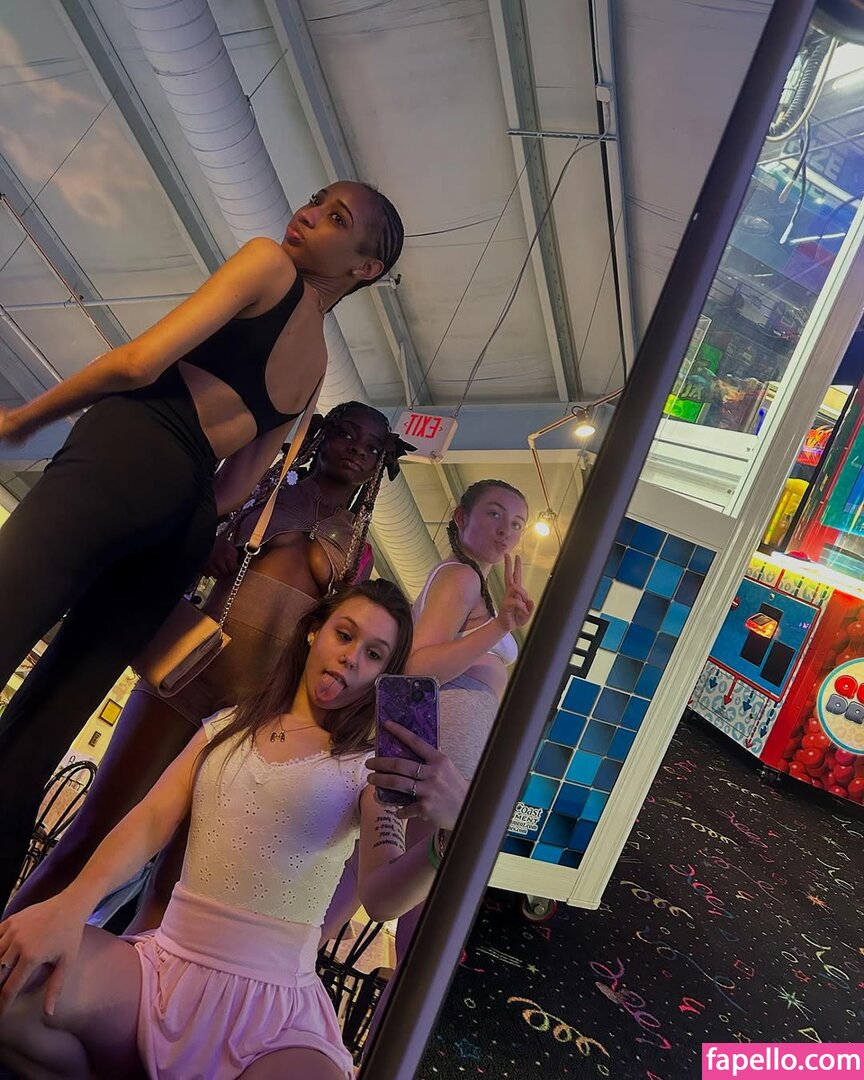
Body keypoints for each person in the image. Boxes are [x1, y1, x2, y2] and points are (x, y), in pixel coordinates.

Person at [0, 182, 405, 908]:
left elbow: (137, 363)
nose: (309, 215)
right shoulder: (314, 369)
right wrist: (169, 505)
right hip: (182, 520)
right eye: (316, 202)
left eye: (336, 218)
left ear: (364, 266)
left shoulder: (267, 265)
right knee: (44, 727)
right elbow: (238, 482)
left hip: (126, 455)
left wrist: (24, 419)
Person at [0, 581, 468, 1080]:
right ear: (314, 632)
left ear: (383, 676)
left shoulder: (368, 768)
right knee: (10, 994)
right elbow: (150, 820)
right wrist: (70, 907)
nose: (352, 658)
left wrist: (450, 837)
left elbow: (382, 898)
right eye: (345, 634)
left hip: (275, 1017)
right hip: (162, 970)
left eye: (374, 654)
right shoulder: (224, 727)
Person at [6, 400, 410, 919]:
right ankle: (12, 942)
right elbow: (186, 535)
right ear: (321, 434)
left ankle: (135, 965)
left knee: (184, 872)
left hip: (253, 707)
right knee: (97, 827)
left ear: (379, 463)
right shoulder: (262, 489)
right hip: (189, 672)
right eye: (347, 434)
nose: (356, 450)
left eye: (372, 447)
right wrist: (210, 544)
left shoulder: (357, 549)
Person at [320, 479, 534, 949]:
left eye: (517, 523)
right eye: (495, 514)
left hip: (440, 755)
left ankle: (293, 966)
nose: (506, 530)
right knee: (409, 897)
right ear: (461, 517)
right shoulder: (461, 577)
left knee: (378, 881)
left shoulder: (474, 584)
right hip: (436, 754)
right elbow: (418, 666)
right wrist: (499, 627)